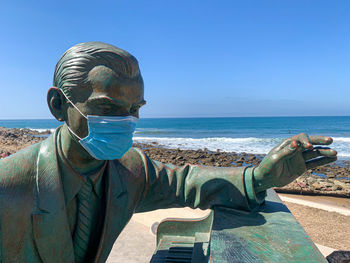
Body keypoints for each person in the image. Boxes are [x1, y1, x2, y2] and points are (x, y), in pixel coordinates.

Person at [0, 42, 337, 263]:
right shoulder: (8, 188)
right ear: (59, 105)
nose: (126, 121)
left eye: (135, 109)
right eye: (108, 108)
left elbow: (186, 182)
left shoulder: (130, 170)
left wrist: (259, 177)